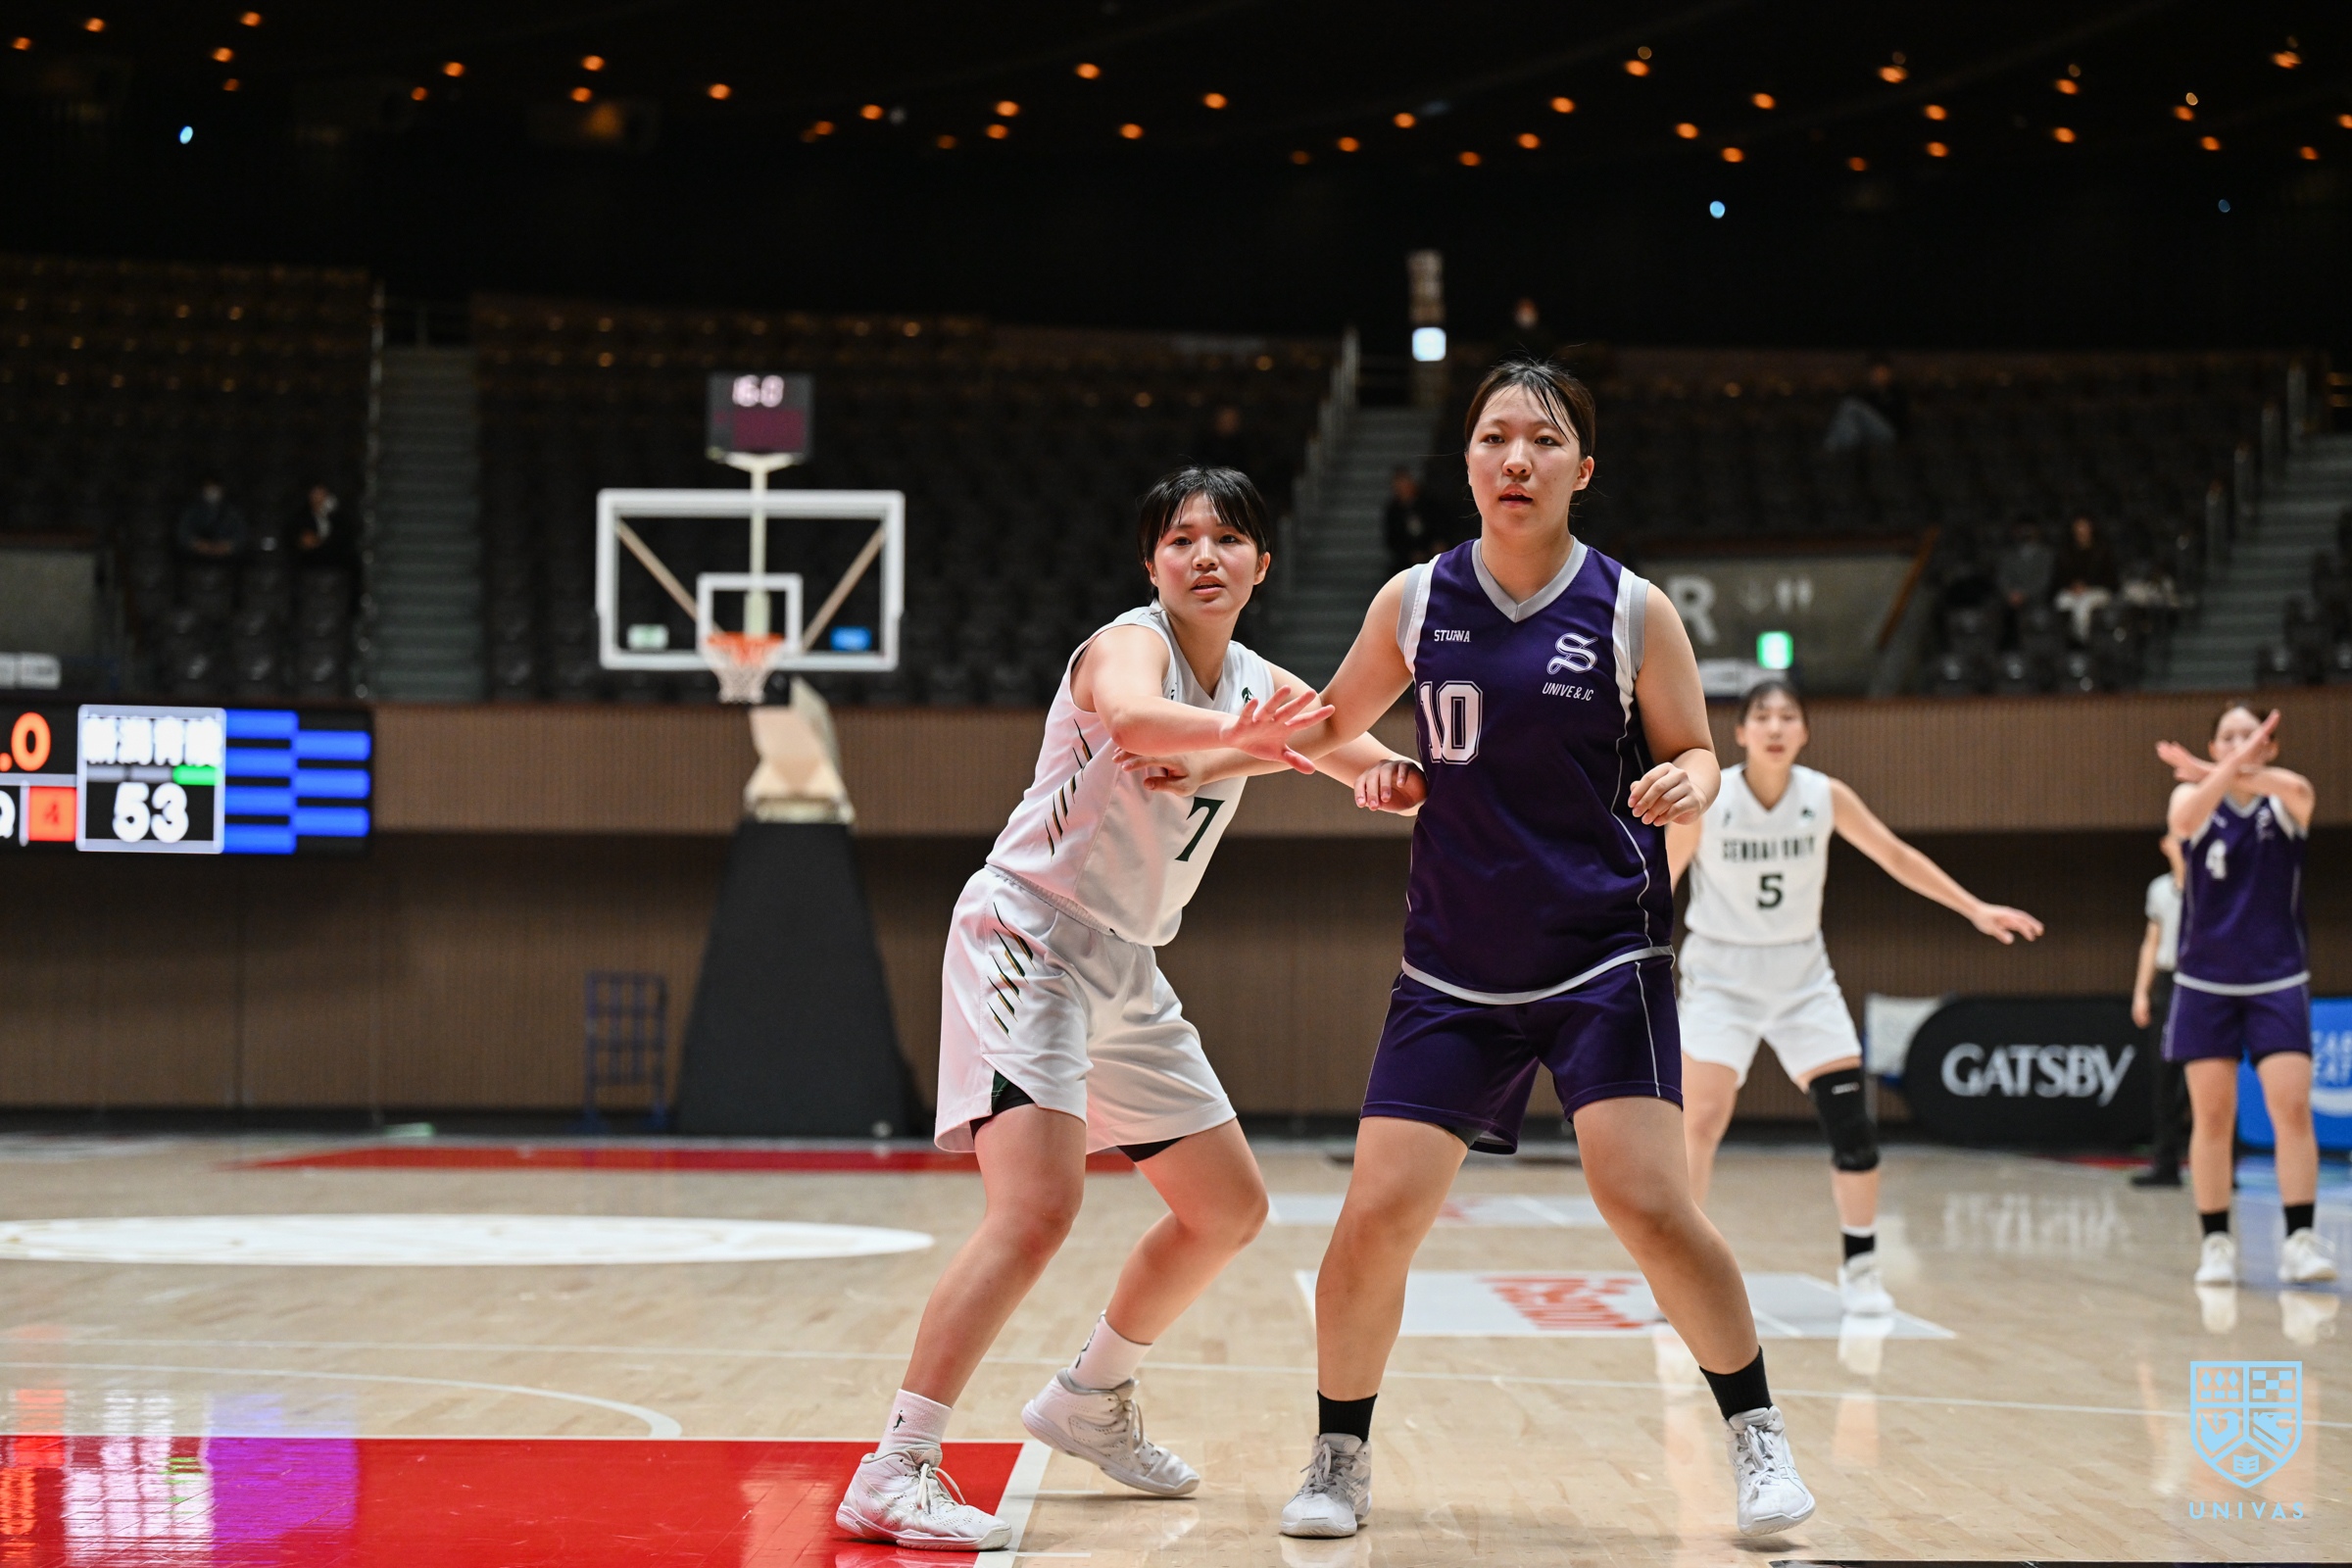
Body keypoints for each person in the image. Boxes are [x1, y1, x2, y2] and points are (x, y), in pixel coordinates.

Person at [1216, 358, 1818, 1541]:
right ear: (1469, 462)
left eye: (1543, 440)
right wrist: (1334, 766)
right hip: (1453, 964)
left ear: (1581, 470)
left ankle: (1757, 1435)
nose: (1516, 459)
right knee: (1375, 1218)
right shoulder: (1414, 600)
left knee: (1649, 1203)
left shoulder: (1633, 608)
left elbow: (1698, 754)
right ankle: (1339, 1455)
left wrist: (1688, 779)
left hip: (1602, 956)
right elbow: (1329, 726)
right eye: (1495, 437)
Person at [833, 467, 1412, 1552]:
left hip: (1126, 961)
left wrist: (1403, 782)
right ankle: (894, 1465)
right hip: (1030, 936)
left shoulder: (1257, 681)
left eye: (1227, 539)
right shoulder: (1125, 645)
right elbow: (1143, 721)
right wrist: (1255, 742)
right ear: (1152, 563)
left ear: (1261, 565)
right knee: (1036, 1207)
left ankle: (1090, 1397)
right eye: (1181, 539)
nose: (1204, 555)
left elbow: (1359, 750)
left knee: (1225, 1208)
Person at [1668, 679, 2044, 1316]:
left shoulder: (1825, 796)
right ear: (1740, 732)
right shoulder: (1714, 798)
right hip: (1720, 976)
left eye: (1789, 716)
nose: (1776, 727)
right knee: (1698, 1124)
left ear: (1805, 732)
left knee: (1852, 1124)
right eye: (1763, 717)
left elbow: (1895, 855)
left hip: (1801, 977)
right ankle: (1681, 1273)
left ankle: (1862, 1268)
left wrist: (1974, 908)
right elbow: (1663, 877)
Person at [2154, 706, 2337, 1288]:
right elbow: (2183, 821)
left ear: (2270, 745)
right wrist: (2216, 773)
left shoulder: (2284, 800)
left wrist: (2219, 768)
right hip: (2204, 981)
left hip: (2277, 979)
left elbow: (2300, 789)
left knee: (2291, 1108)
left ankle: (2300, 1241)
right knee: (2212, 1115)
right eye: (2227, 736)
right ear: (2213, 744)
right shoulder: (2191, 797)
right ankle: (2216, 1244)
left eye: (2249, 735)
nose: (2239, 742)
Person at [2129, 834, 2188, 1188]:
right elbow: (2151, 942)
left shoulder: (2211, 886)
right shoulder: (2159, 889)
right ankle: (2165, 1164)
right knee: (2164, 1076)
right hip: (2168, 983)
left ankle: (2222, 1166)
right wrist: (2141, 992)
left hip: (2203, 982)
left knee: (2208, 1075)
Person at [2051, 514, 2118, 644]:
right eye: (2078, 528)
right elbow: (2060, 576)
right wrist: (2072, 586)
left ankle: (2083, 643)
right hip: (2074, 591)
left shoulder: (2103, 550)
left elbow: (2111, 578)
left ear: (2091, 528)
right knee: (2062, 600)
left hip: (2099, 590)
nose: (2081, 531)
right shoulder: (2067, 551)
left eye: (2084, 527)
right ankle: (2064, 641)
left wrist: (2088, 586)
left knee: (2083, 605)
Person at [1822, 356, 1907, 452]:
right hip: (1869, 433)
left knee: (1850, 404)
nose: (1878, 376)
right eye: (1875, 373)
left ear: (1889, 374)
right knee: (1850, 423)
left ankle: (1830, 447)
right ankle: (1847, 449)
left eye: (1881, 372)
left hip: (1890, 432)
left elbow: (1900, 419)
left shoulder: (1897, 392)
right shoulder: (1868, 394)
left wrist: (1883, 397)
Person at [1380, 466, 1436, 572]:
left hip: (1430, 553)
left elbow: (1439, 526)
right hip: (1406, 560)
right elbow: (1392, 539)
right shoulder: (1393, 511)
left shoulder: (1428, 504)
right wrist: (1409, 554)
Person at [175, 478, 246, 561]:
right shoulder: (193, 511)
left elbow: (242, 533)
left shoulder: (232, 512)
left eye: (215, 488)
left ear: (222, 490)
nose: (212, 492)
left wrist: (228, 546)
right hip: (195, 559)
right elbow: (182, 532)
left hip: (228, 560)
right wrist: (197, 544)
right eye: (209, 488)